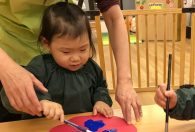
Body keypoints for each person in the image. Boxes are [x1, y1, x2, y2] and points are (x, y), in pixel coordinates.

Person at [0, 0, 142, 123]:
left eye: (83, 49)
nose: (76, 58)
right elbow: (9, 98)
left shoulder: (91, 68)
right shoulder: (40, 67)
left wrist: (101, 101)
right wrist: (43, 102)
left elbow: (100, 88)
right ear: (47, 44)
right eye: (66, 52)